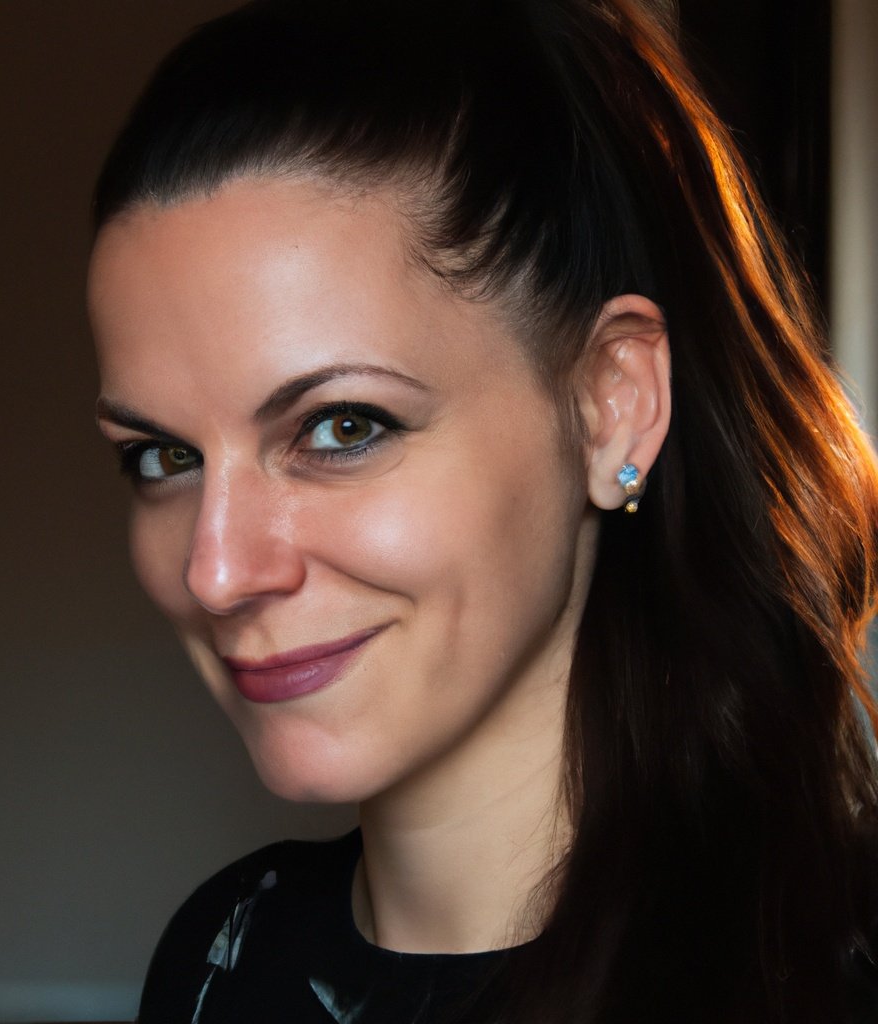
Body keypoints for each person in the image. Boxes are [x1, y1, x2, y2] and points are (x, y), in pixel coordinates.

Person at [87, 0, 878, 1020]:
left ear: (610, 408)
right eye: (164, 455)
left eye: (339, 428)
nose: (217, 570)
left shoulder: (832, 980)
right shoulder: (221, 958)